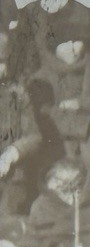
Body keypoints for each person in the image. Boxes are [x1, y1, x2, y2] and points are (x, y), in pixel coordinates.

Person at [31, 23, 90, 170]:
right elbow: (44, 114)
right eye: (64, 43)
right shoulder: (41, 78)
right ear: (53, 46)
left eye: (76, 41)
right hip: (61, 153)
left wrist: (80, 103)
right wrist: (86, 122)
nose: (71, 48)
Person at [0, 27, 45, 214]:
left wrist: (12, 154)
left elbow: (35, 136)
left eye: (1, 62)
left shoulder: (18, 96)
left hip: (12, 181)